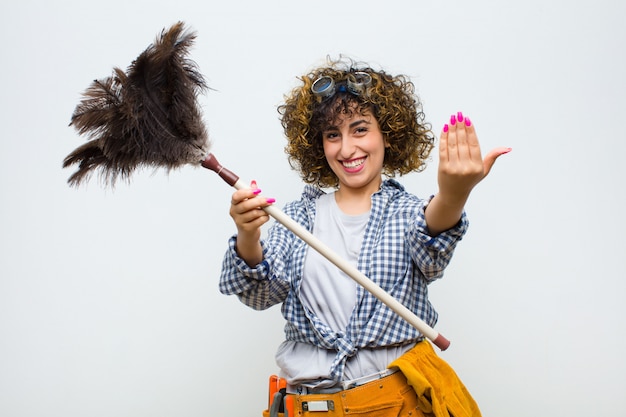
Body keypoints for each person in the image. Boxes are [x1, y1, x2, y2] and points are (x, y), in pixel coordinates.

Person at [219, 58, 510, 417]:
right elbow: (259, 294)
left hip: (396, 405)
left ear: (387, 132)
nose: (346, 148)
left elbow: (433, 245)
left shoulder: (406, 212)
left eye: (359, 129)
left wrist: (453, 194)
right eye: (332, 135)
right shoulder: (296, 218)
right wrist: (248, 233)